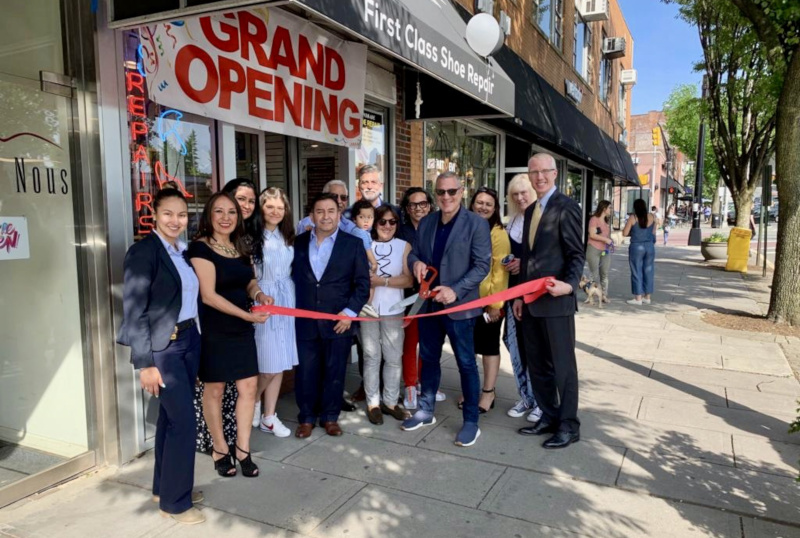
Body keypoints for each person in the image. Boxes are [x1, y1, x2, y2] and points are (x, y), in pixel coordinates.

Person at [118, 188, 205, 525]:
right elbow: (135, 310)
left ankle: (164, 488)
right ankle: (176, 503)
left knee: (171, 421)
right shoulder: (143, 252)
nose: (175, 220)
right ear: (154, 214)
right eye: (168, 213)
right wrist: (145, 363)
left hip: (188, 340)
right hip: (163, 349)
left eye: (182, 214)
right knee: (185, 422)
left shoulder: (182, 251)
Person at [402, 171, 491, 448]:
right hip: (428, 304)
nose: (446, 197)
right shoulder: (427, 222)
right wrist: (415, 263)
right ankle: (426, 409)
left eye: (451, 191)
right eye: (441, 192)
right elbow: (416, 253)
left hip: (459, 307)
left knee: (466, 363)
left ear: (461, 192)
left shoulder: (475, 224)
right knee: (428, 358)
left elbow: (482, 266)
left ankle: (471, 422)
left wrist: (456, 289)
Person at [187, 192, 272, 478]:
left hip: (241, 328)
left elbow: (248, 281)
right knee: (215, 389)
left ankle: (243, 449)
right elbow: (208, 296)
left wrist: (258, 293)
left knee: (248, 388)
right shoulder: (200, 248)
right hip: (214, 330)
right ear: (209, 215)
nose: (226, 218)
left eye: (232, 212)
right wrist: (248, 315)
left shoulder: (239, 245)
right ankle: (220, 448)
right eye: (219, 212)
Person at [513, 153, 584, 450]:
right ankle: (549, 417)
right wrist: (518, 295)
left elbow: (575, 254)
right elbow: (527, 259)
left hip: (556, 302)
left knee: (563, 368)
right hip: (530, 304)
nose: (539, 177)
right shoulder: (530, 211)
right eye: (534, 172)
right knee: (538, 366)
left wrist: (568, 286)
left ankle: (568, 425)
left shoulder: (566, 207)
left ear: (555, 174)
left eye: (545, 171)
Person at [292, 193, 370, 438]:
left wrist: (349, 313)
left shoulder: (353, 244)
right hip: (305, 320)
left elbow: (362, 284)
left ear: (339, 214)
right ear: (312, 215)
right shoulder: (298, 242)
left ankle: (330, 417)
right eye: (319, 211)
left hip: (339, 321)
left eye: (330, 211)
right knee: (306, 371)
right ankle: (306, 417)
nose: (325, 216)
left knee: (335, 372)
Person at [361, 206, 414, 425]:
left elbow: (409, 280)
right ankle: (373, 402)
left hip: (394, 308)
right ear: (375, 223)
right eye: (382, 221)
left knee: (393, 357)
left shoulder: (404, 246)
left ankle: (390, 401)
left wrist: (382, 281)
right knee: (371, 356)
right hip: (367, 309)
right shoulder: (365, 244)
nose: (387, 226)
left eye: (392, 222)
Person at [252, 187, 298, 438]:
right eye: (270, 206)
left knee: (279, 361)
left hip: (286, 298)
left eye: (280, 207)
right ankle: (253, 399)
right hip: (264, 298)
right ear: (261, 209)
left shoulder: (288, 235)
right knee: (268, 363)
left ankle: (269, 416)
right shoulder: (251, 236)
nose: (275, 212)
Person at [397, 187, 446, 408]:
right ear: (407, 208)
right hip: (409, 295)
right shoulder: (400, 232)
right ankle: (409, 385)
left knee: (429, 342)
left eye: (423, 203)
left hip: (435, 294)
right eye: (413, 205)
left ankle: (424, 384)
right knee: (410, 342)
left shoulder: (438, 226)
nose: (419, 208)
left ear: (430, 204)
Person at [463, 186, 510, 414]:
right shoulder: (465, 227)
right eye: (479, 202)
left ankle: (488, 393)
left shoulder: (498, 233)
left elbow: (501, 272)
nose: (483, 207)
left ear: (495, 208)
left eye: (488, 204)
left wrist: (496, 304)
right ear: (472, 204)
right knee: (468, 347)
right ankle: (470, 389)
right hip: (465, 300)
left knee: (489, 347)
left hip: (488, 303)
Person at [502, 175, 541, 422]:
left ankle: (540, 400)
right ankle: (526, 396)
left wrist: (523, 264)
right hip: (512, 291)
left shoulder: (542, 218)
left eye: (524, 192)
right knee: (513, 342)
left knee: (534, 347)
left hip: (535, 295)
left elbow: (549, 258)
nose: (520, 197)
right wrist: (508, 262)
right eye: (515, 194)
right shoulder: (513, 220)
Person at [623, 199, 656, 306]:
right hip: (650, 246)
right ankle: (647, 297)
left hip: (637, 246)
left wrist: (634, 231)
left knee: (636, 270)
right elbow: (653, 232)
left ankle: (638, 298)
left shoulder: (633, 218)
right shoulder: (651, 216)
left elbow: (625, 233)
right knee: (648, 270)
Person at [586, 200, 614, 304]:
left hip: (605, 251)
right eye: (610, 208)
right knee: (594, 274)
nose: (611, 210)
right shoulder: (594, 219)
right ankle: (591, 296)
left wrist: (610, 240)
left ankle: (604, 296)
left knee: (604, 274)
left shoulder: (606, 221)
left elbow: (605, 235)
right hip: (593, 248)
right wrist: (606, 240)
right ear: (604, 208)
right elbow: (592, 234)